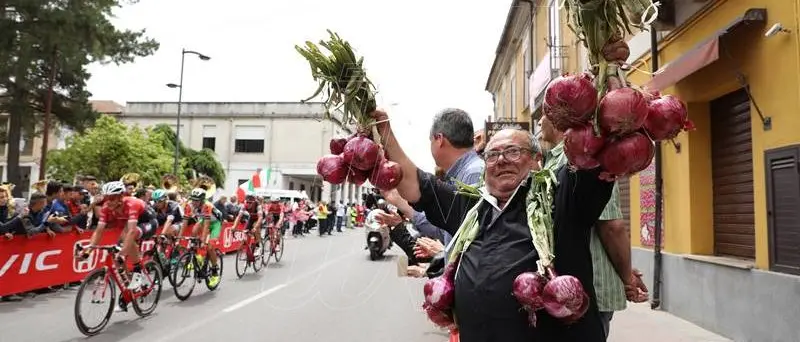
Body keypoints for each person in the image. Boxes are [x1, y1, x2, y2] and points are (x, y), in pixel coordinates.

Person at [374, 108, 614, 342]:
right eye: (492, 155)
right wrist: (385, 131)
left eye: (512, 151)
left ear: (536, 159)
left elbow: (593, 155)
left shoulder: (561, 196)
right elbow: (414, 184)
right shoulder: (471, 206)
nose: (501, 160)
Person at [538, 115, 649, 337]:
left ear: (559, 121)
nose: (540, 121)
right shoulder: (557, 160)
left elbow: (611, 226)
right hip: (573, 287)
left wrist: (627, 276)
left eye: (545, 115)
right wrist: (626, 273)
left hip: (592, 288)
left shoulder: (585, 161)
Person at [84, 181, 158, 311]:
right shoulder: (106, 207)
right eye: (107, 198)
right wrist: (89, 250)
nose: (109, 201)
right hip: (129, 225)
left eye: (112, 198)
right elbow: (99, 231)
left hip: (148, 221)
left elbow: (131, 231)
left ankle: (137, 271)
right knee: (119, 256)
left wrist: (122, 254)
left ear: (120, 196)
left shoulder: (132, 204)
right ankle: (128, 292)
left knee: (129, 238)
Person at [185, 188, 223, 287]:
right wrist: (179, 237)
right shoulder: (190, 205)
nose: (194, 202)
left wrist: (203, 241)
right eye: (192, 199)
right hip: (204, 220)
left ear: (202, 200)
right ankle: (198, 256)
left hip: (215, 224)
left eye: (196, 200)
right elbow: (185, 222)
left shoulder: (207, 205)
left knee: (210, 247)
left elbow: (206, 226)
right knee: (194, 231)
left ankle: (215, 271)